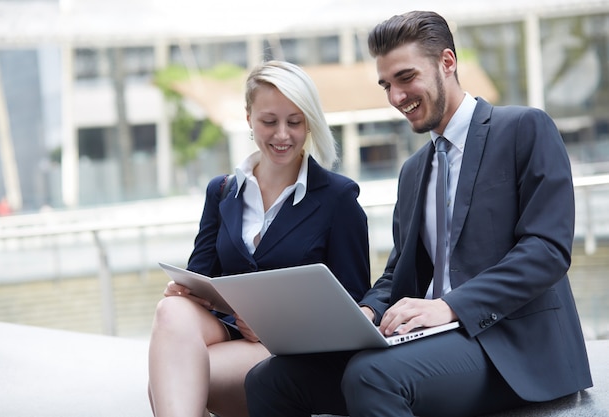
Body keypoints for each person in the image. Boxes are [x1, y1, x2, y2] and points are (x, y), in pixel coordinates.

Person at [245, 10, 592, 417]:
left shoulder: (524, 129)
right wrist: (366, 311)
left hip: (511, 346)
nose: (395, 97)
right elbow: (398, 272)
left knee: (372, 375)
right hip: (430, 340)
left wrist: (451, 306)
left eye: (406, 78)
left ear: (447, 62)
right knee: (270, 379)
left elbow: (546, 250)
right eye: (386, 85)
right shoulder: (413, 172)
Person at [147, 60, 371, 417]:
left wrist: (275, 323)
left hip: (288, 350)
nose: (282, 135)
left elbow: (353, 306)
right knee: (171, 310)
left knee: (172, 375)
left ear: (309, 122)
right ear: (249, 117)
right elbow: (202, 273)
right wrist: (186, 291)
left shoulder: (337, 197)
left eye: (294, 122)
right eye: (269, 121)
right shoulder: (222, 191)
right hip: (229, 331)